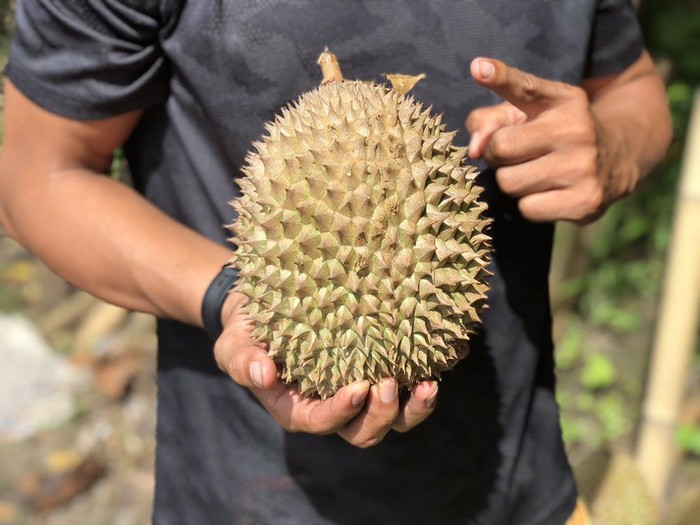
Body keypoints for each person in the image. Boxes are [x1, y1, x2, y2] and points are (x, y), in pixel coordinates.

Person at [0, 1, 670, 524]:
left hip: (524, 483)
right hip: (248, 497)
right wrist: (228, 296)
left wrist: (612, 148)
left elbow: (632, 86)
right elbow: (35, 176)